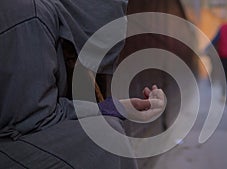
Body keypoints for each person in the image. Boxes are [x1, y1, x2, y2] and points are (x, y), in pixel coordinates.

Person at [0, 0, 165, 168]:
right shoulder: (32, 16)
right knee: (104, 139)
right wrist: (106, 110)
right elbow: (30, 121)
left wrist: (118, 108)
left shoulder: (51, 16)